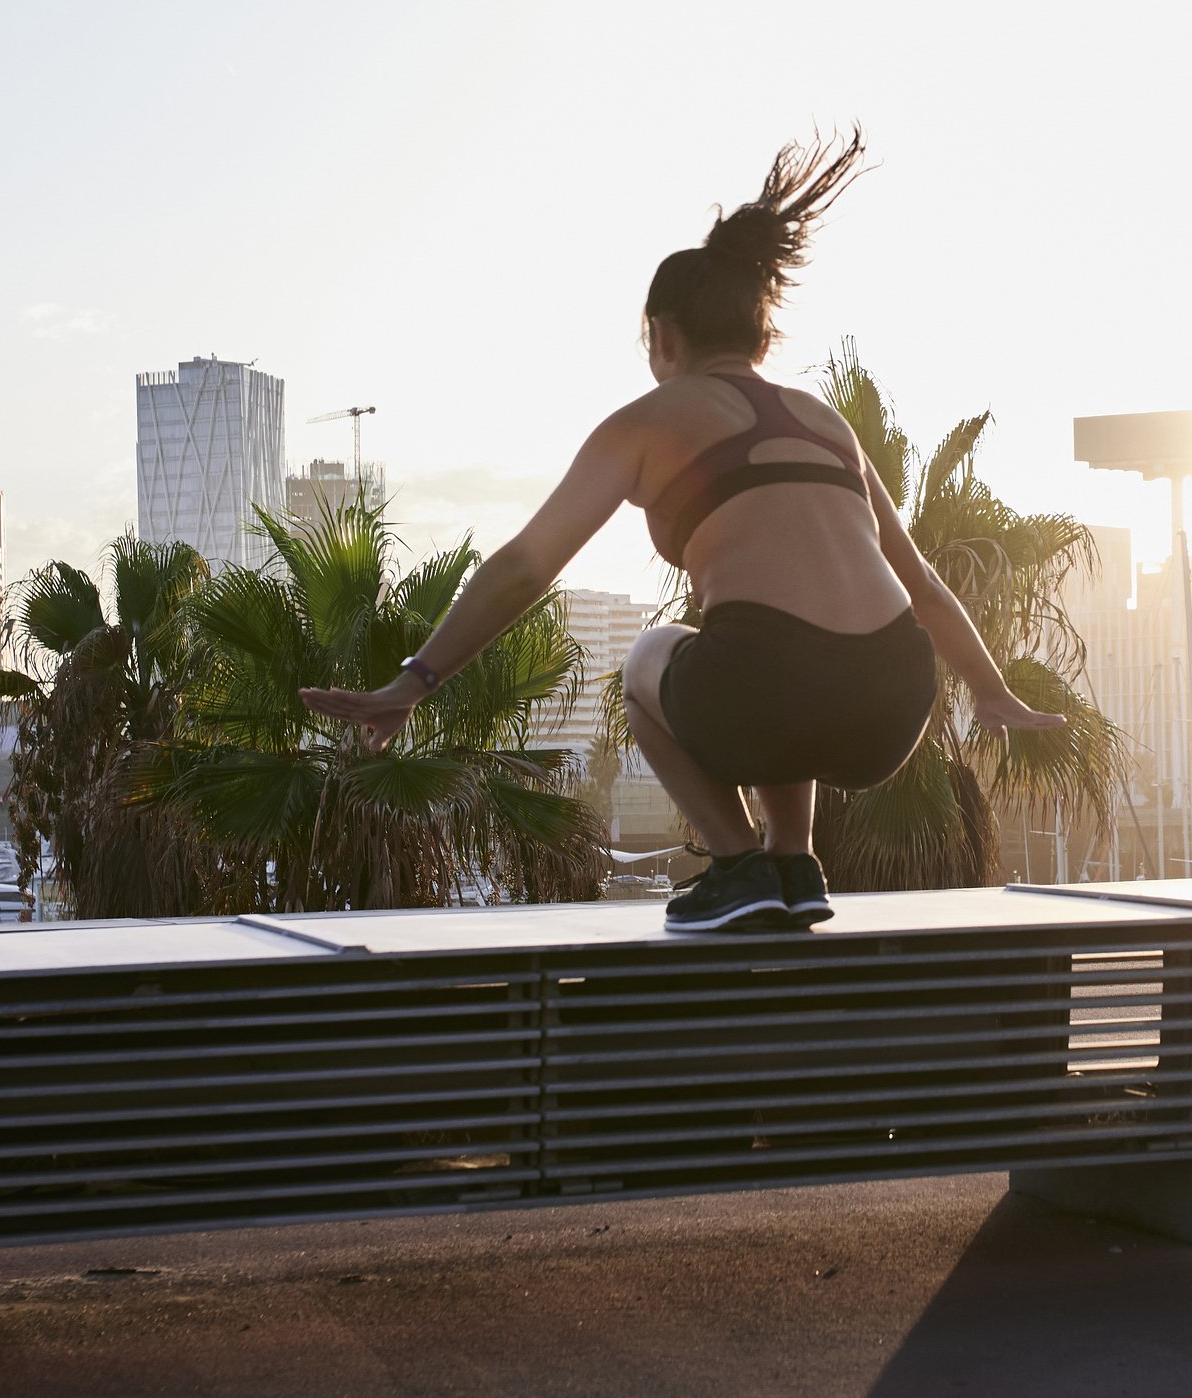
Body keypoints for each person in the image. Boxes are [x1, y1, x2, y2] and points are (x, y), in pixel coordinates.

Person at [302, 131, 1063, 929]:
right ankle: (792, 864)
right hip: (891, 703)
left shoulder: (647, 422)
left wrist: (412, 683)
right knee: (764, 642)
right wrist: (990, 690)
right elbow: (925, 586)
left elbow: (527, 568)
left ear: (661, 336)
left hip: (768, 685)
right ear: (763, 338)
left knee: (650, 657)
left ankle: (736, 865)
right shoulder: (823, 422)